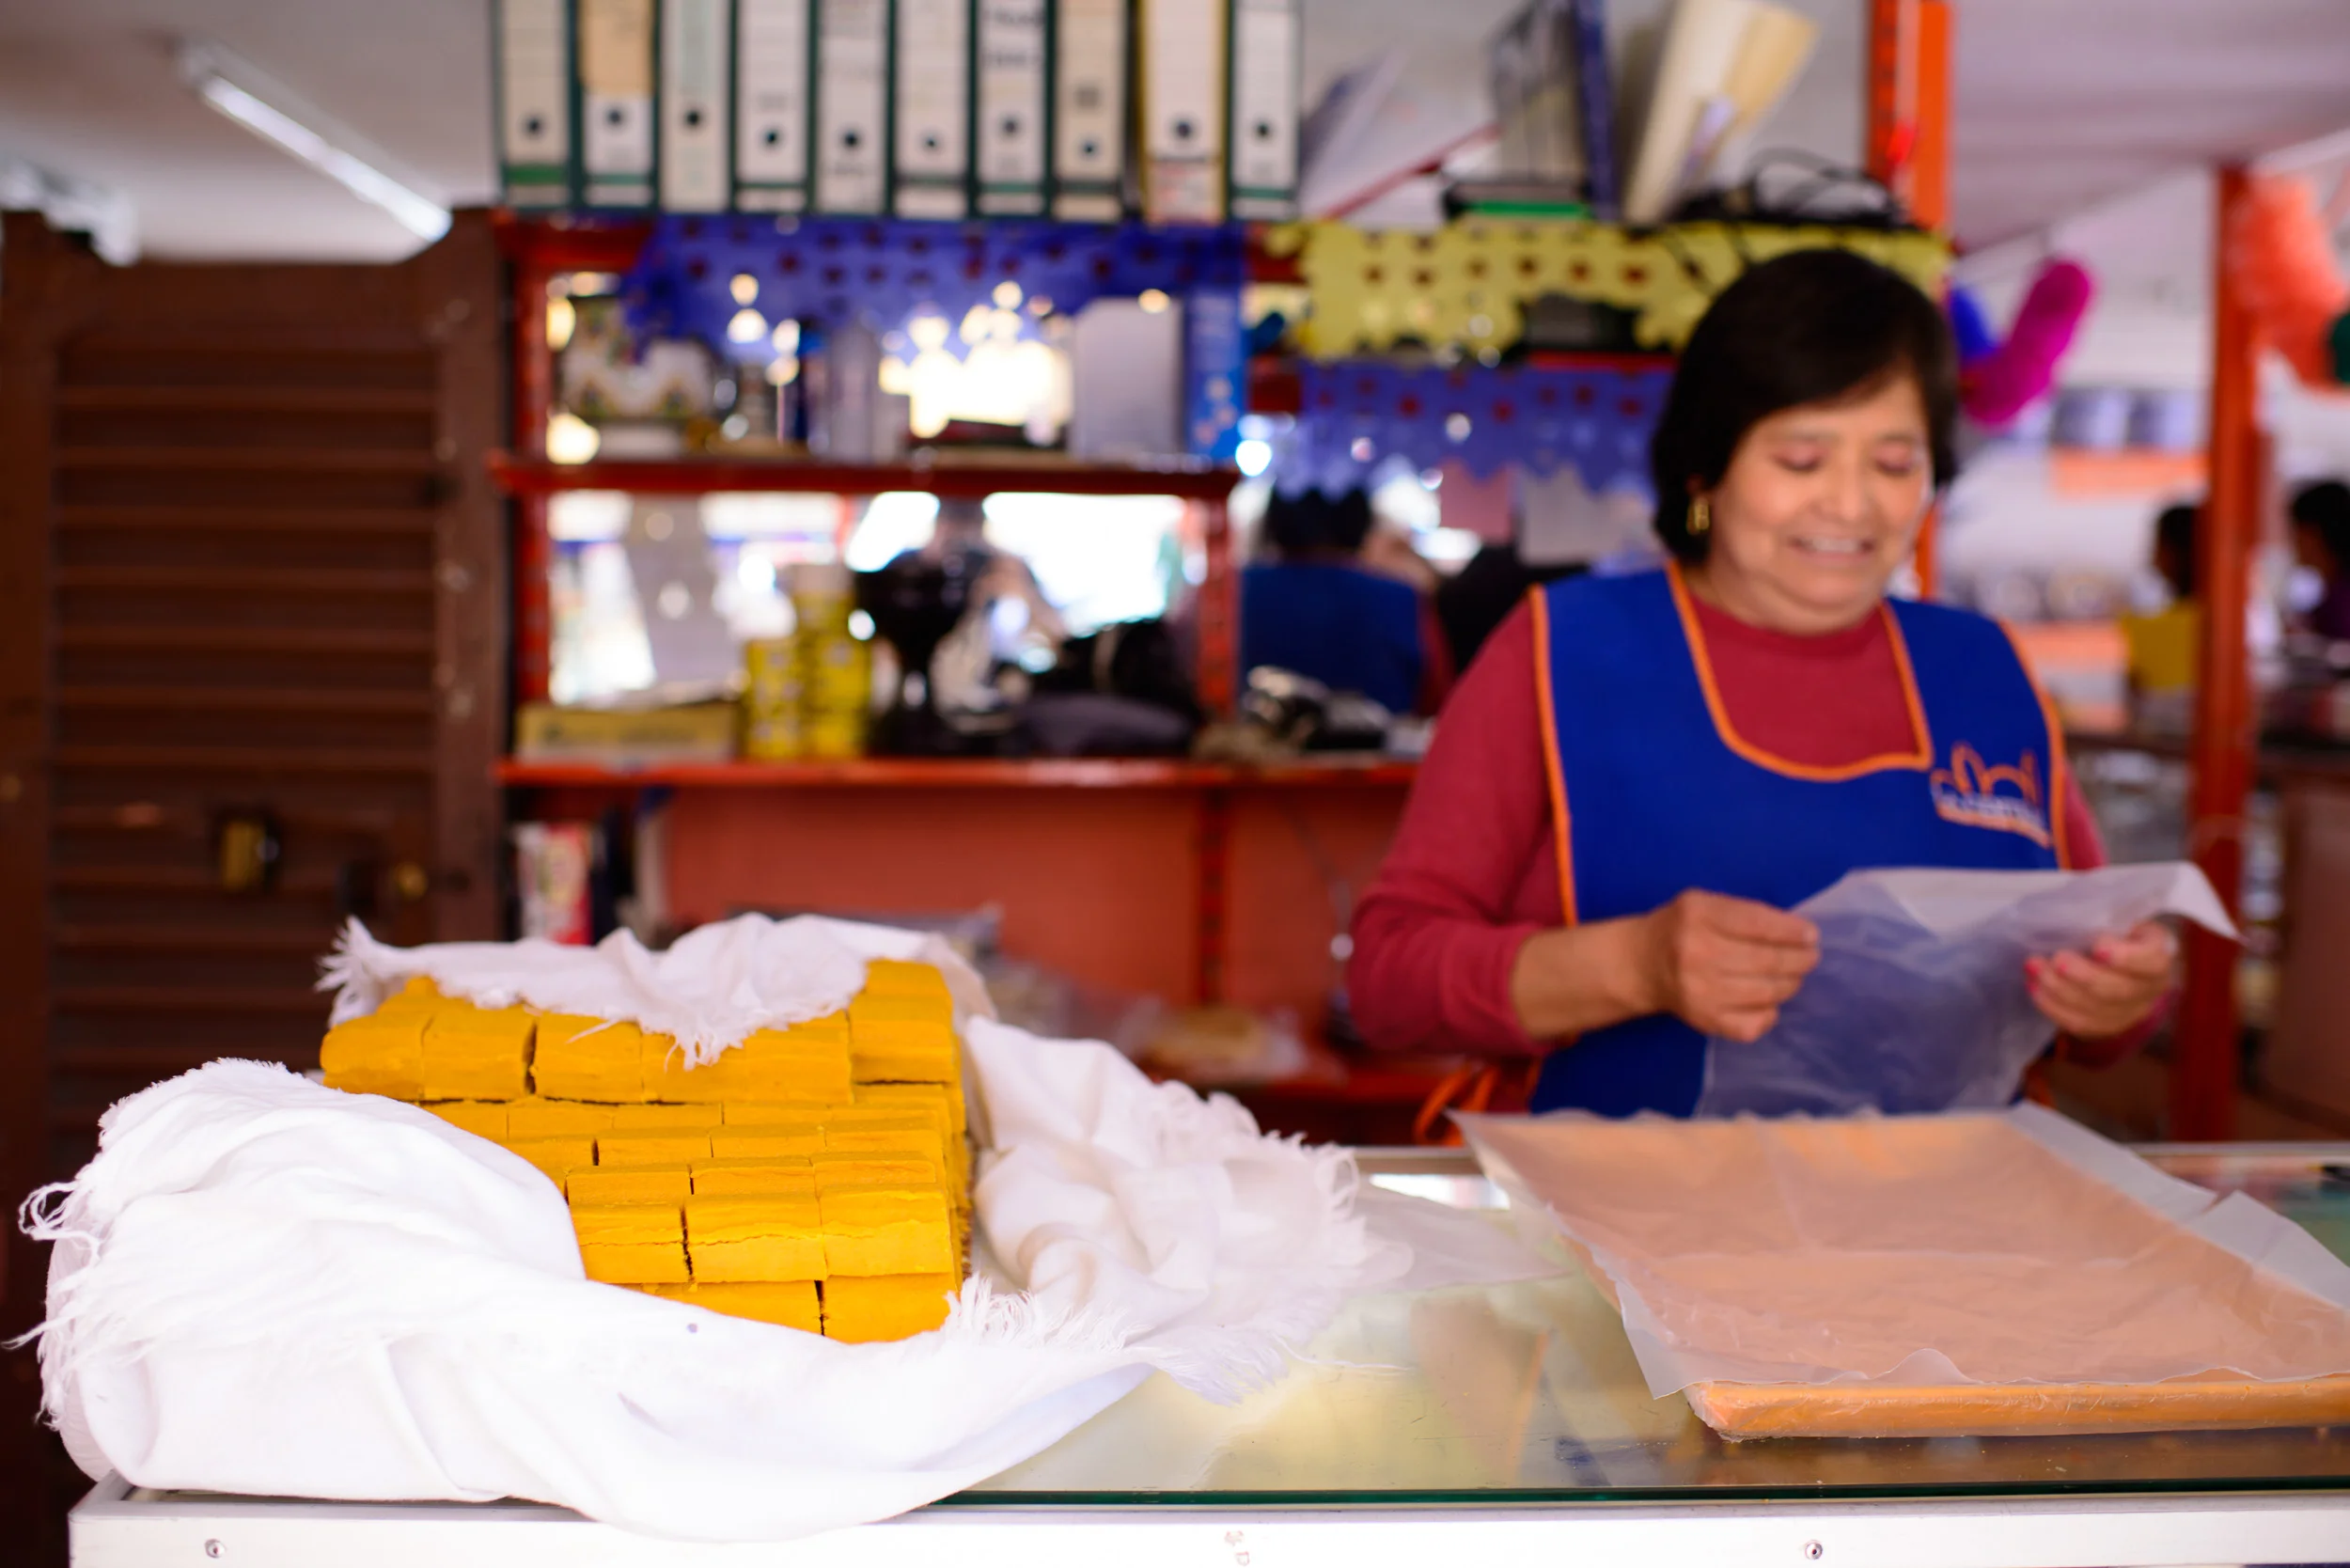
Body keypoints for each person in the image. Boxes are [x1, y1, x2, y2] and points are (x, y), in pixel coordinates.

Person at [1348, 249, 2178, 1117]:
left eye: (1894, 465)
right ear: (1707, 470)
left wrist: (2118, 998)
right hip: (1611, 1225)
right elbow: (1389, 981)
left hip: (1941, 1226)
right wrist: (1633, 966)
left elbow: (2095, 995)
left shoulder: (1982, 669)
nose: (1851, 505)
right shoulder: (1562, 650)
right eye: (1801, 460)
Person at [1240, 488, 1451, 716]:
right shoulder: (1402, 599)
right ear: (1360, 520)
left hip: (1239, 749)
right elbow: (1439, 701)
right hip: (1384, 750)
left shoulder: (1235, 591)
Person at [2119, 502, 2201, 723]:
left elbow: (2138, 711)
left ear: (2170, 552)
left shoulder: (2144, 629)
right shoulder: (2245, 619)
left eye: (2157, 545)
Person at [2288, 479, 2350, 642]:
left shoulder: (2341, 604)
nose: (2292, 541)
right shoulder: (2334, 594)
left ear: (2313, 535)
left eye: (2296, 530)